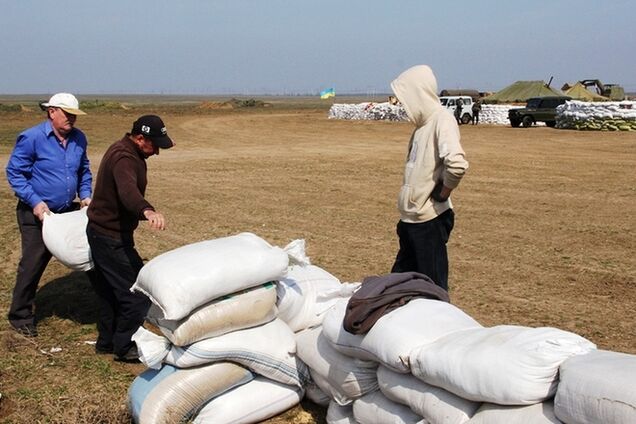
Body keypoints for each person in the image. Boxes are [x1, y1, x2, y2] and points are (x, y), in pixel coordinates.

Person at [86, 115, 174, 362]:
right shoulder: (124, 158)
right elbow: (128, 192)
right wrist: (146, 210)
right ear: (139, 138)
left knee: (110, 291)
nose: (156, 151)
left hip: (103, 232)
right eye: (154, 145)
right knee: (137, 294)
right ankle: (124, 347)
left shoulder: (128, 151)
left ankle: (106, 342)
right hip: (108, 236)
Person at [5, 93, 92, 337]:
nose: (72, 119)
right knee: (33, 263)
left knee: (90, 254)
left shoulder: (79, 138)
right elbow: (15, 173)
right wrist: (35, 201)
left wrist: (85, 195)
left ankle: (107, 305)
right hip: (36, 214)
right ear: (52, 111)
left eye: (74, 115)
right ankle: (20, 315)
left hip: (67, 211)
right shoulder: (32, 138)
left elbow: (84, 170)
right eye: (67, 114)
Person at [389, 65, 469, 292]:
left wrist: (443, 193)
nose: (403, 106)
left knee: (432, 289)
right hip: (410, 222)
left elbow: (457, 164)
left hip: (429, 222)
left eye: (405, 98)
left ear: (418, 93)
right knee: (398, 287)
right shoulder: (421, 127)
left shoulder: (442, 120)